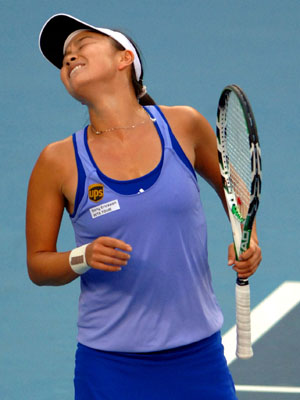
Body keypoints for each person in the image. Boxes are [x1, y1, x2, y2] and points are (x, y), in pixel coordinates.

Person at [26, 13, 262, 400]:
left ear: (124, 59)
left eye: (81, 45)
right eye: (64, 58)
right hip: (110, 367)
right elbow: (38, 264)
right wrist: (82, 256)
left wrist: (247, 238)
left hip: (198, 359)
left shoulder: (183, 126)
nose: (69, 57)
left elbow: (236, 191)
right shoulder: (57, 161)